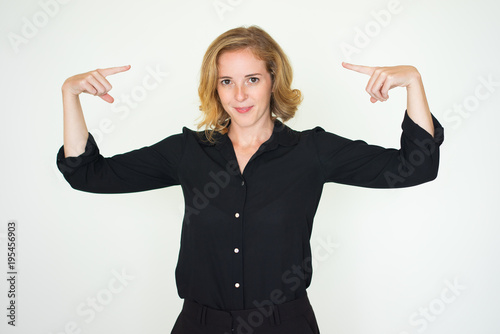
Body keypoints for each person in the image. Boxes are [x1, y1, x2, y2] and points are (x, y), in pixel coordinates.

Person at [56, 26, 444, 334]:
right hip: (199, 326)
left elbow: (417, 166)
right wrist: (69, 94)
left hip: (286, 326)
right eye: (226, 81)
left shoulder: (313, 152)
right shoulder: (187, 151)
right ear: (215, 86)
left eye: (252, 79)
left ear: (274, 80)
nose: (239, 94)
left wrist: (413, 81)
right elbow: (89, 174)